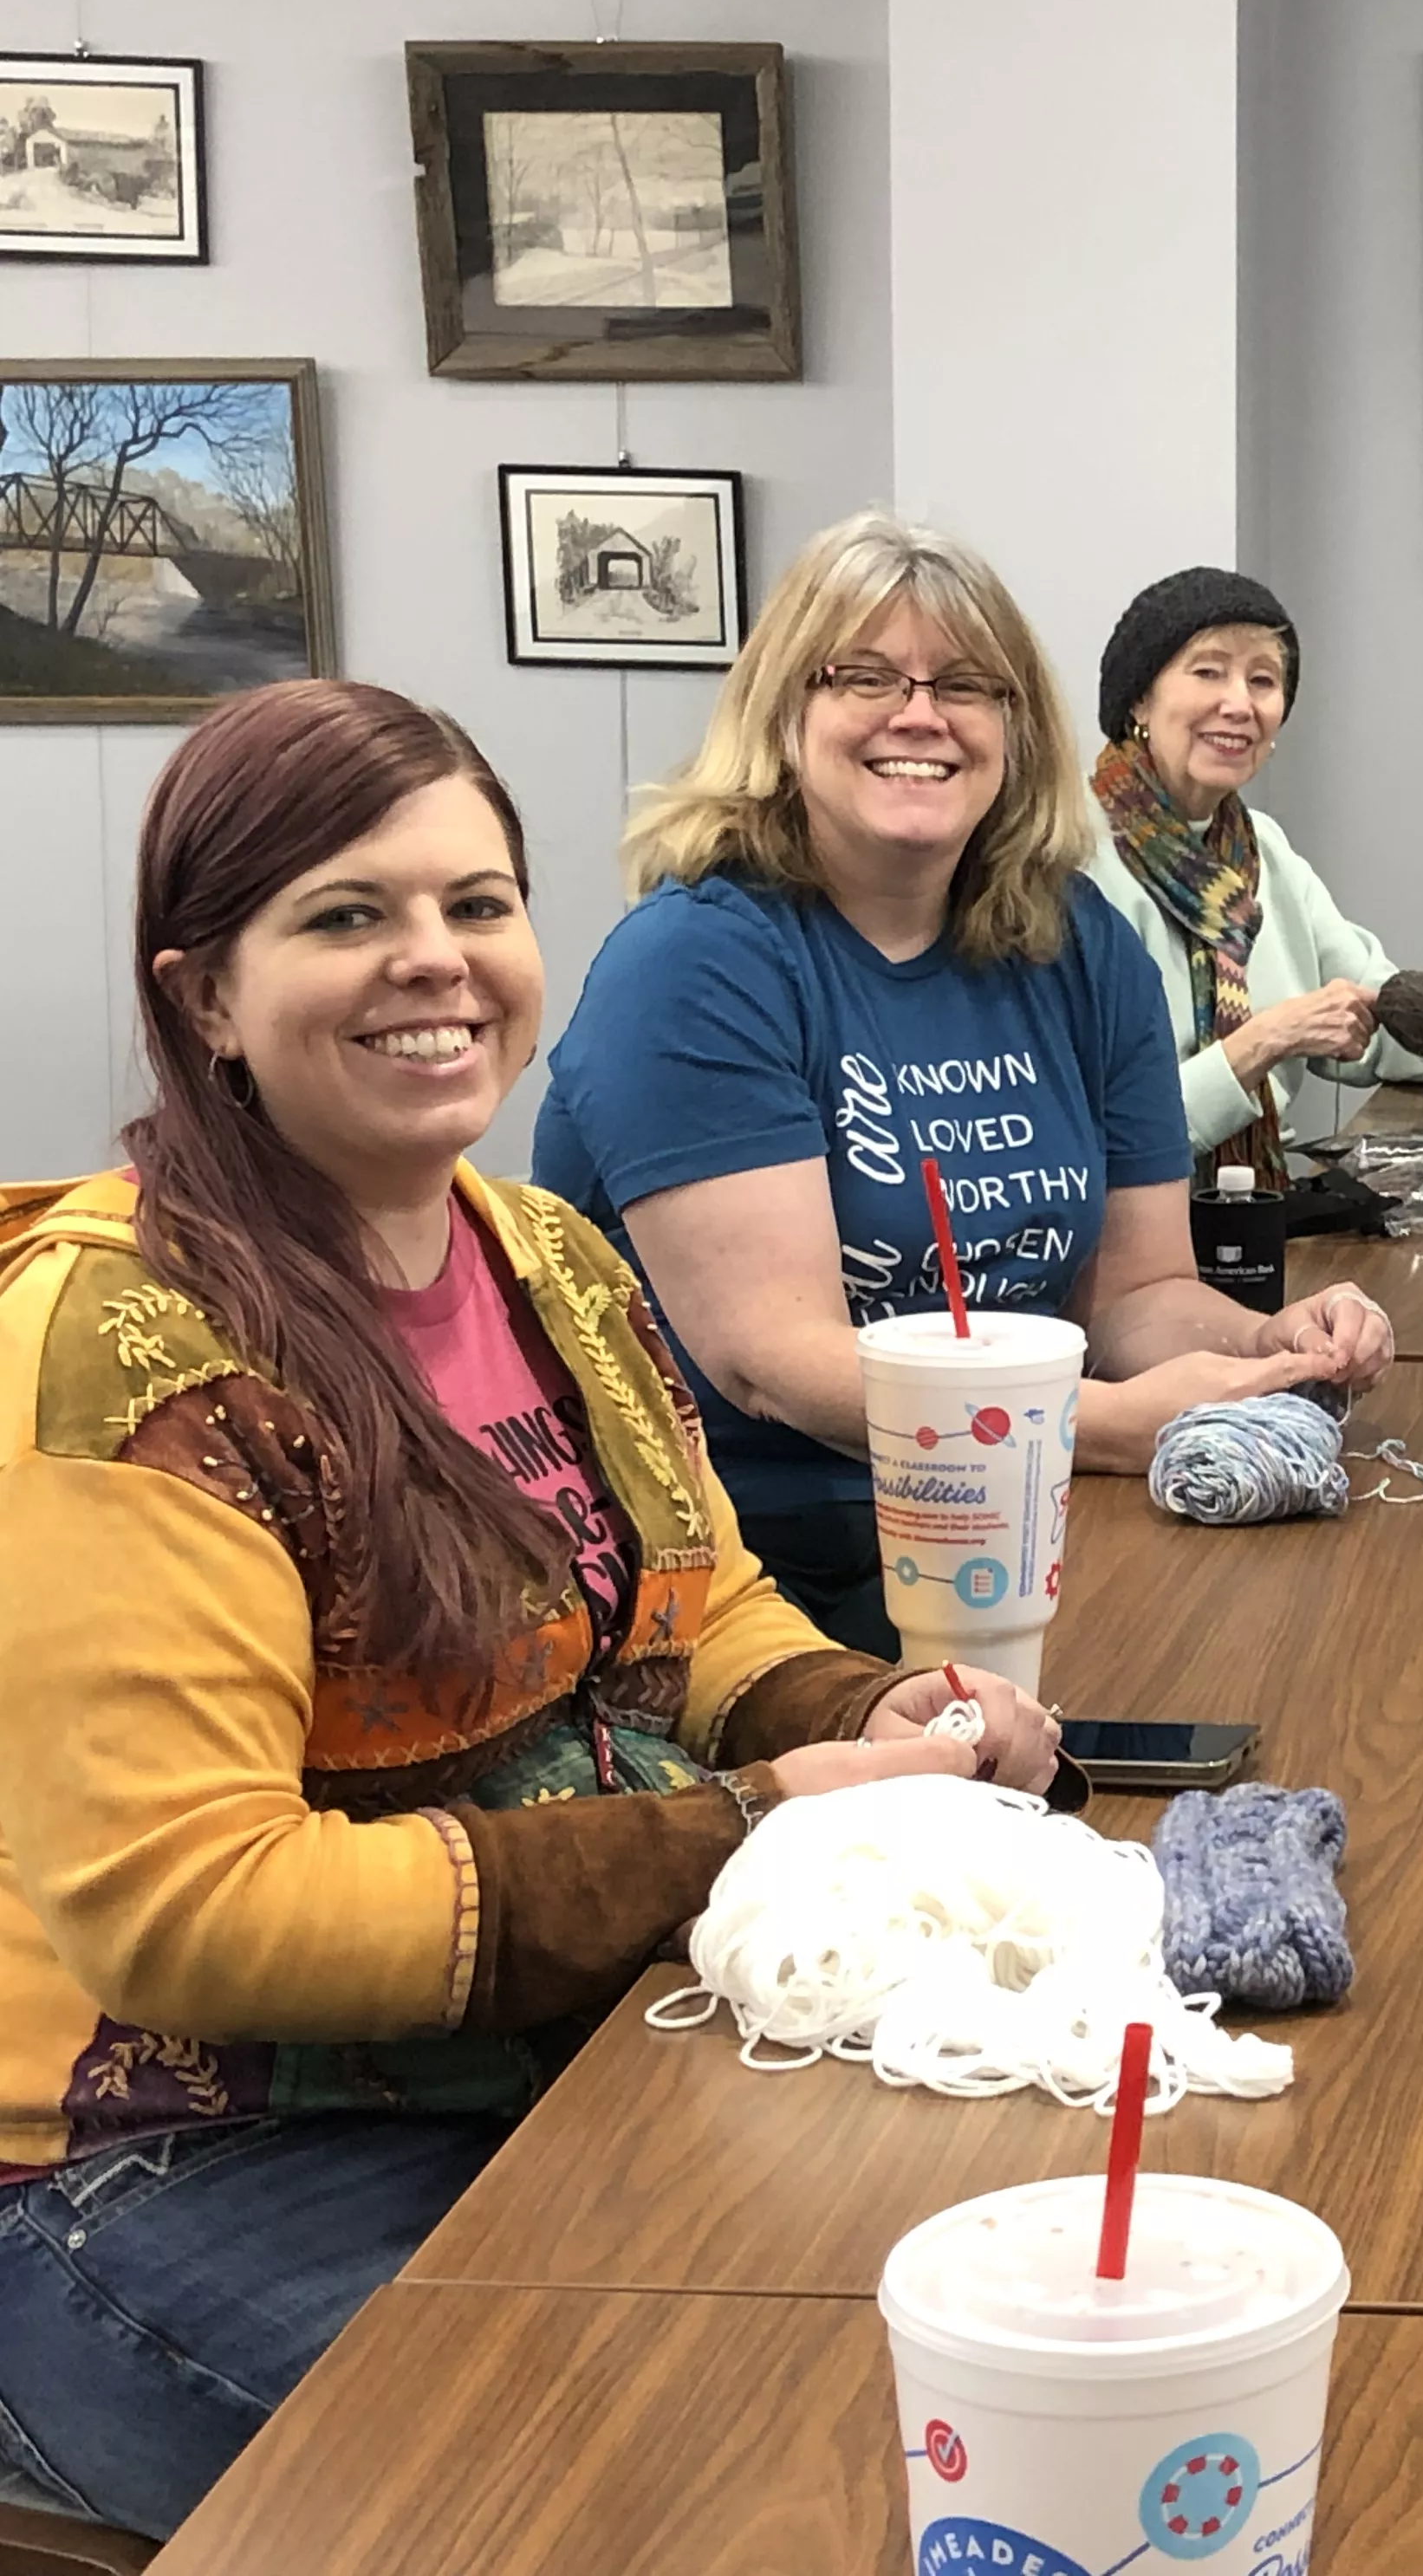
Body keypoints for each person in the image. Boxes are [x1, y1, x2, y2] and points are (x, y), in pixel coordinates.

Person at [0, 680, 1057, 2538]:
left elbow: (699, 1605)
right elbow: (190, 1915)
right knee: (694, 2499)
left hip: (526, 2065)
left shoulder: (545, 1256)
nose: (439, 964)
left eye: (478, 905)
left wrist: (861, 1714)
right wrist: (735, 1838)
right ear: (201, 995)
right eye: (349, 917)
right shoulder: (118, 1353)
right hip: (152, 2179)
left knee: (960, 2343)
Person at [534, 515, 1394, 1655]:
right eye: (864, 678)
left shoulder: (1080, 945)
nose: (920, 716)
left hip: (1015, 1505)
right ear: (784, 712)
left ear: (1013, 725)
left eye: (966, 686)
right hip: (757, 1559)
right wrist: (1114, 1425)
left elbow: (1134, 1298)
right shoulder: (697, 964)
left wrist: (1267, 1344)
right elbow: (775, 1364)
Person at [1085, 567, 1423, 1184]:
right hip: (1121, 1234)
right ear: (1139, 701)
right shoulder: (1066, 861)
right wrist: (1262, 1043)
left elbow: (1381, 1027)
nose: (1240, 704)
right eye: (1208, 672)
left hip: (1259, 1213)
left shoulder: (1264, 852)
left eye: (1263, 680)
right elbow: (1089, 1132)